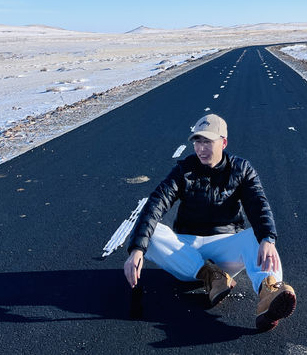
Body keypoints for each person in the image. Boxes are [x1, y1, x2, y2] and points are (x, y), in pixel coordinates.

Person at [123, 113, 296, 332]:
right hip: (187, 253)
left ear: (223, 142)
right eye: (197, 141)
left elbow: (258, 205)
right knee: (151, 234)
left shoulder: (241, 169)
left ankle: (269, 294)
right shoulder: (183, 170)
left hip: (225, 249)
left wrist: (268, 237)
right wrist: (137, 249)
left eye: (208, 142)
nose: (201, 148)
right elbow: (156, 203)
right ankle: (210, 276)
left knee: (260, 238)